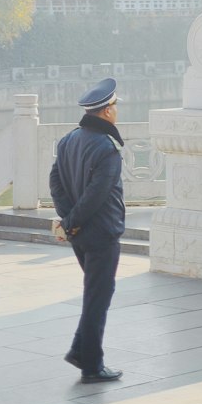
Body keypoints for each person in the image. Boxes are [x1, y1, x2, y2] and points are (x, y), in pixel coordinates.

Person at [49, 77, 126, 383]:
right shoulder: (107, 149)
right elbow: (97, 194)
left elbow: (55, 183)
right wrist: (71, 222)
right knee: (98, 297)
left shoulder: (68, 140)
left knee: (96, 293)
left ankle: (80, 351)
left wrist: (68, 221)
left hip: (80, 236)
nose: (116, 110)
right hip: (102, 234)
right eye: (115, 106)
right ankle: (92, 365)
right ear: (107, 111)